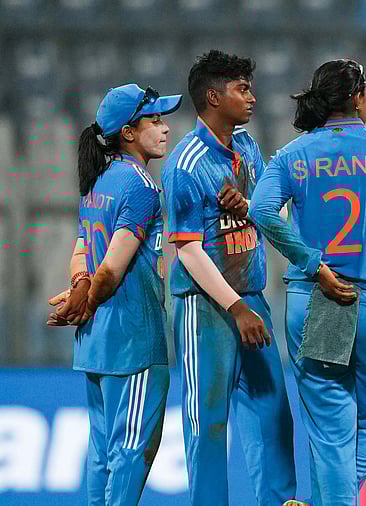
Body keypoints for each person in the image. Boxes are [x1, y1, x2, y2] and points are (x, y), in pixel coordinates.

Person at [248, 58, 366, 506]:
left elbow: (261, 210)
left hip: (314, 302)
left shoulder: (293, 154)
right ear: (357, 97)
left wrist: (313, 263)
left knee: (330, 430)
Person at [161, 50, 296, 505]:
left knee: (273, 411)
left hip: (251, 298)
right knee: (208, 421)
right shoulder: (185, 164)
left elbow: (266, 212)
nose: (252, 97)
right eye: (242, 88)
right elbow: (187, 249)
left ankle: (280, 501)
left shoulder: (248, 147)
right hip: (207, 308)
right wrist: (234, 307)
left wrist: (248, 205)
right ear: (214, 96)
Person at [46, 83, 181, 505]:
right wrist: (85, 296)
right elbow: (111, 268)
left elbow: (81, 253)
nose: (164, 129)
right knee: (133, 450)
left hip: (95, 338)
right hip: (133, 340)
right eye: (155, 121)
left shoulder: (98, 179)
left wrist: (79, 296)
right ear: (128, 132)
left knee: (102, 451)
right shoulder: (141, 186)